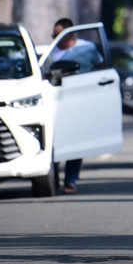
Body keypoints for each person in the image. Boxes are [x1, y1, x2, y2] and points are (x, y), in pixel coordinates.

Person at [49, 18, 104, 194]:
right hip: (57, 99)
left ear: (70, 34)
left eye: (59, 36)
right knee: (54, 141)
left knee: (74, 141)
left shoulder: (87, 47)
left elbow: (101, 68)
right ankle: (52, 178)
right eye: (54, 36)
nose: (55, 40)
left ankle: (70, 180)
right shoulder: (51, 52)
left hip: (80, 99)